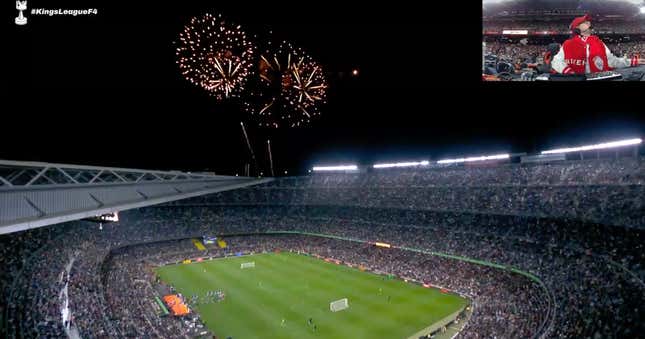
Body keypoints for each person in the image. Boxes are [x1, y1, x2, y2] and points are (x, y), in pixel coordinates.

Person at [551, 13, 643, 74]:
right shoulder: (568, 44)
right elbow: (556, 61)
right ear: (577, 28)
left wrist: (631, 61)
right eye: (585, 22)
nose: (589, 23)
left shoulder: (598, 42)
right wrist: (568, 72)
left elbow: (611, 61)